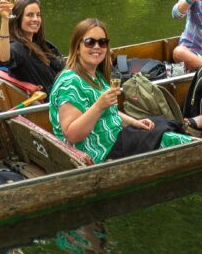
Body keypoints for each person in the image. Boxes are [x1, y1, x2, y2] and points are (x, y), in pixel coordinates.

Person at [49, 19, 191, 163]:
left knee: (163, 126)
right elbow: (72, 134)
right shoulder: (69, 83)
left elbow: (109, 113)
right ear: (77, 47)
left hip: (115, 139)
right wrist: (99, 106)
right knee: (171, 139)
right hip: (100, 153)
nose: (97, 47)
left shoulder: (96, 75)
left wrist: (135, 123)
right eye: (90, 42)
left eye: (102, 42)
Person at [0, 0, 64, 91]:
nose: (36, 19)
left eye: (38, 15)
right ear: (18, 19)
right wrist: (4, 19)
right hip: (53, 103)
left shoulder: (43, 44)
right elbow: (4, 59)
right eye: (30, 15)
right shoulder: (17, 48)